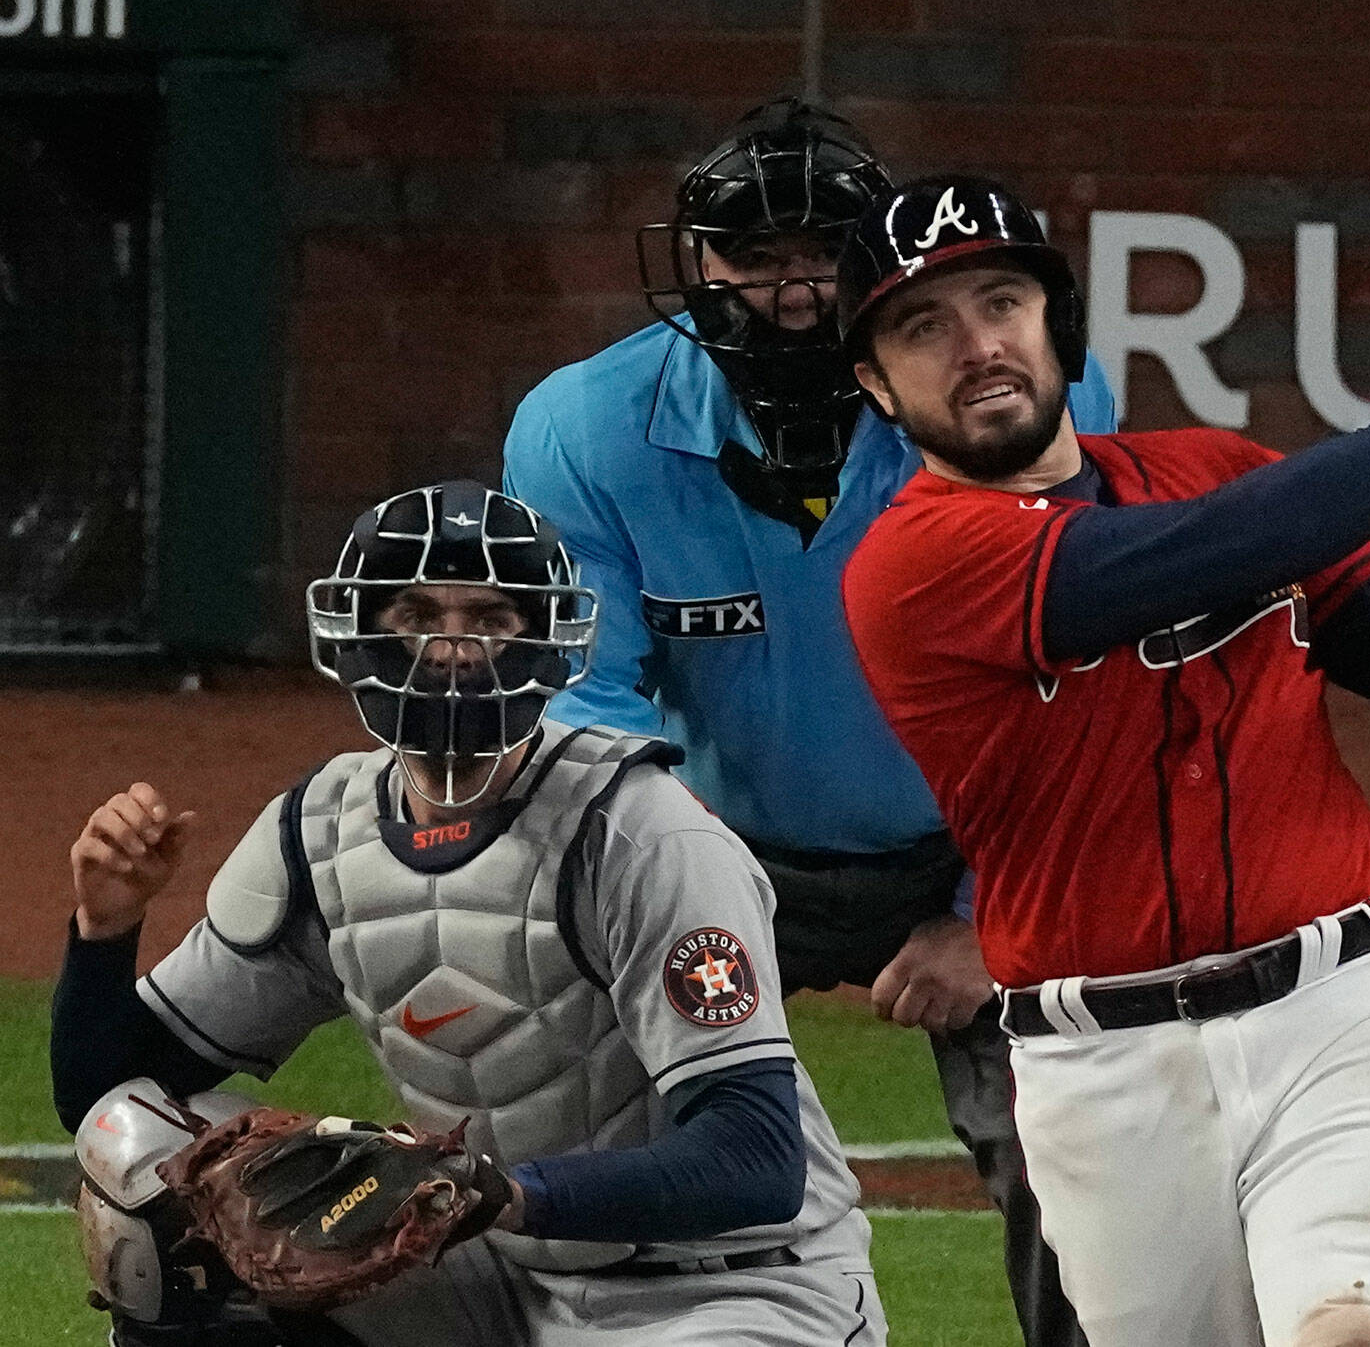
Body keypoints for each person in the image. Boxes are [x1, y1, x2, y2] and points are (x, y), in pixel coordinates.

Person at [836, 176, 1370, 1347]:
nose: (974, 345)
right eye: (922, 327)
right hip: (1100, 1075)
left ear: (1055, 318)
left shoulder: (1206, 467)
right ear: (875, 383)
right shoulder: (911, 566)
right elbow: (1223, 547)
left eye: (999, 301)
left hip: (1335, 1014)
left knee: (1345, 1330)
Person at [503, 97, 1113, 1347]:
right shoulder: (585, 426)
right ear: (698, 263)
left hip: (975, 831)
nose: (789, 293)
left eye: (821, 255)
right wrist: (674, 898)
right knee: (597, 1109)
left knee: (1079, 1156)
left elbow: (1077, 680)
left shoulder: (1024, 397)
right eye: (752, 257)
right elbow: (590, 705)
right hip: (720, 841)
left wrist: (983, 920)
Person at [49, 480, 886, 1346]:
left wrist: (504, 1193)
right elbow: (107, 1102)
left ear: (546, 641)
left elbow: (757, 1159)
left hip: (735, 1289)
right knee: (158, 1176)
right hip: (510, 1285)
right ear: (362, 635)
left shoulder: (639, 830)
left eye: (488, 619)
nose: (450, 648)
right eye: (417, 616)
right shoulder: (319, 833)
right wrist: (103, 930)